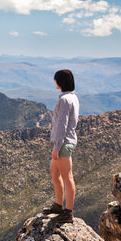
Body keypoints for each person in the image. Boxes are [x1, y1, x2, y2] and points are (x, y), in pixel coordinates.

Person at [43, 69, 79, 224]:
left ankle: (68, 212)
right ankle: (58, 205)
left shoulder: (64, 100)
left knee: (67, 177)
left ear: (61, 82)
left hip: (63, 143)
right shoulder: (72, 97)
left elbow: (62, 125)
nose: (54, 82)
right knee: (54, 172)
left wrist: (57, 147)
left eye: (56, 79)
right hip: (64, 142)